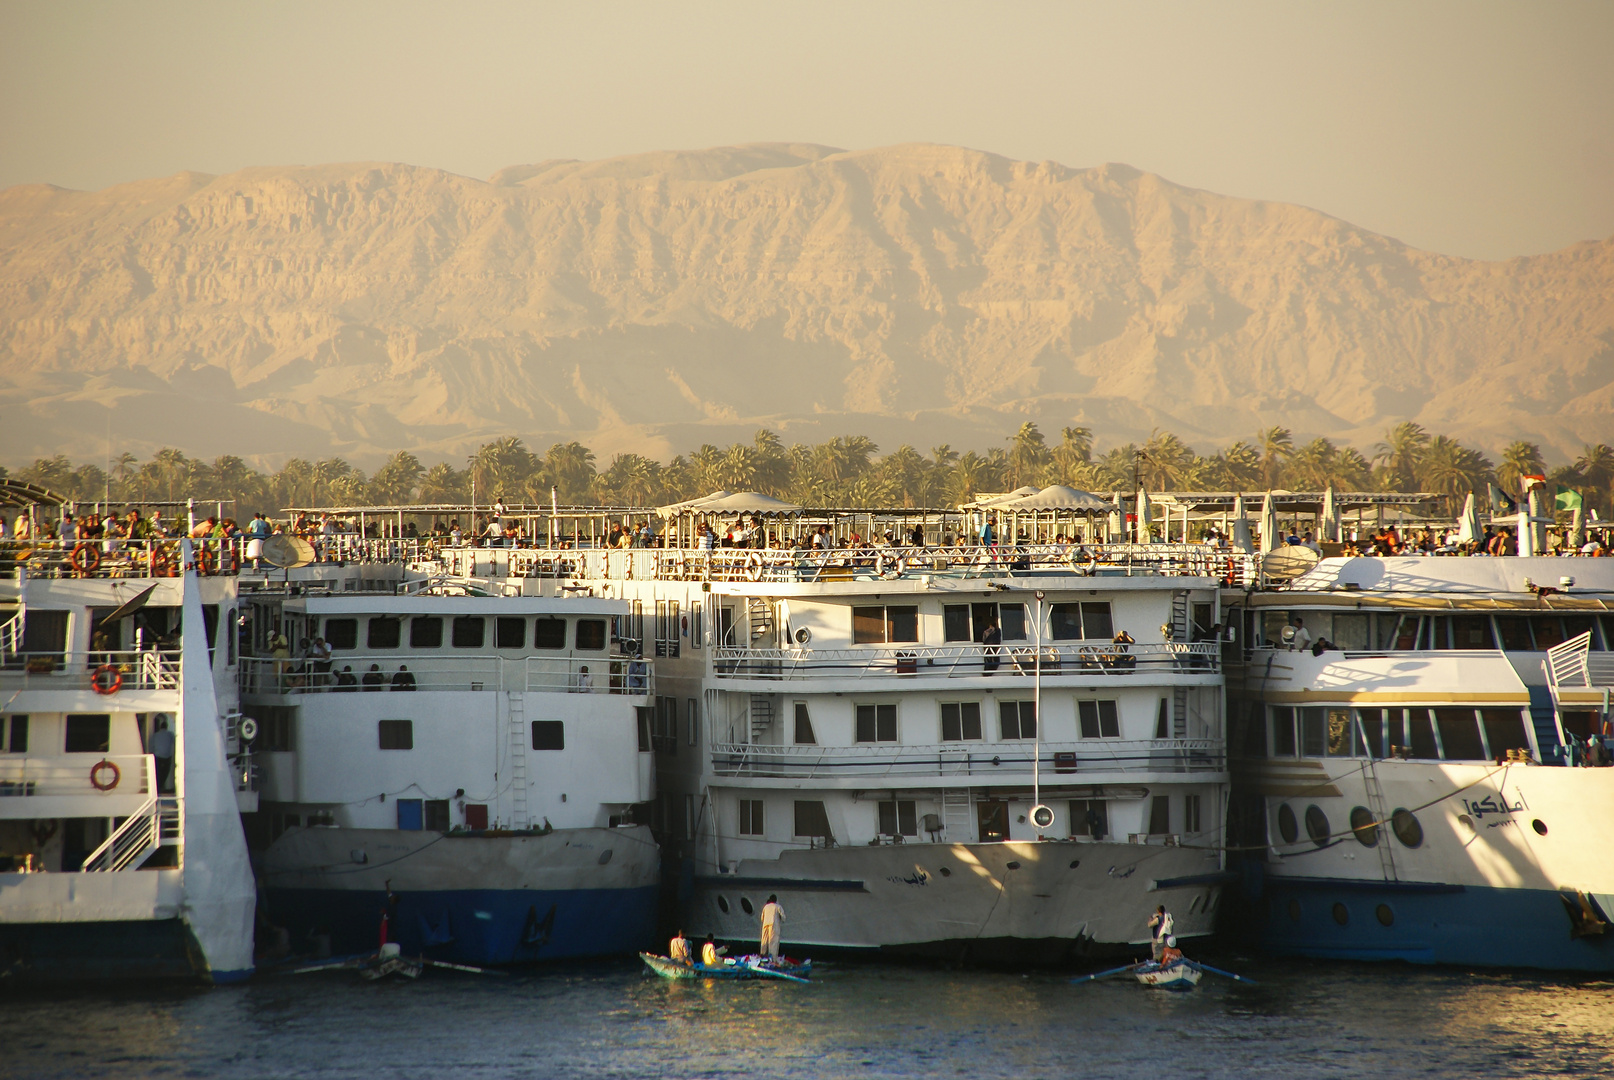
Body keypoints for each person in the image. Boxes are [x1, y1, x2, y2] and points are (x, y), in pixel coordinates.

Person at [149, 716, 176, 794]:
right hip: (167, 756)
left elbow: (152, 745)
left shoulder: (155, 735)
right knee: (165, 772)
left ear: (160, 727)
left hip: (157, 756)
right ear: (166, 727)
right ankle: (161, 786)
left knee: (157, 772)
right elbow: (174, 742)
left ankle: (157, 786)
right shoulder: (170, 734)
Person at [759, 894, 785, 959]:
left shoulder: (766, 906)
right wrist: (782, 919)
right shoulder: (778, 906)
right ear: (776, 900)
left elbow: (762, 918)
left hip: (765, 924)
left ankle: (762, 955)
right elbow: (783, 917)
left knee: (764, 940)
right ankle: (772, 958)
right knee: (773, 941)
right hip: (773, 924)